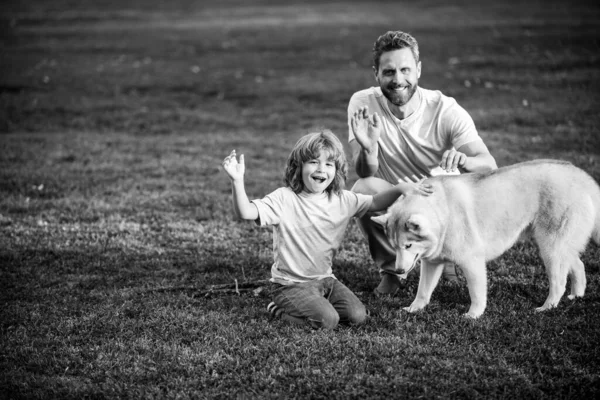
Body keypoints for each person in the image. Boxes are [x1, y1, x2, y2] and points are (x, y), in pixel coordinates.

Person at [221, 129, 434, 330]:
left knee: (357, 316)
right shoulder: (284, 198)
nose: (321, 169)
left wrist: (399, 189)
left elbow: (375, 203)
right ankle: (278, 309)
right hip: (290, 284)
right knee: (327, 320)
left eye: (329, 164)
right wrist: (237, 181)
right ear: (298, 167)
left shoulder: (341, 199)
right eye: (313, 162)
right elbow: (246, 212)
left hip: (325, 280)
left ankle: (315, 303)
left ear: (336, 170)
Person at [348, 30, 498, 295]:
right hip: (395, 193)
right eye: (389, 72)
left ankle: (445, 252)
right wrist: (369, 148)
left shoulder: (445, 110)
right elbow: (362, 172)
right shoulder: (362, 103)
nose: (398, 80)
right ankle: (392, 270)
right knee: (362, 189)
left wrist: (465, 160)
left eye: (405, 70)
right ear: (376, 73)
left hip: (438, 200)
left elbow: (489, 166)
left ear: (418, 69)